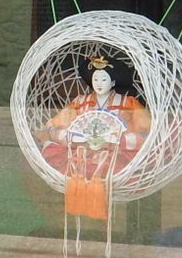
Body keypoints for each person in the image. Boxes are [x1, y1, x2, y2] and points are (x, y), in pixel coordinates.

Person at [39, 56, 151, 222]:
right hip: (80, 157)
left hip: (114, 159)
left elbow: (146, 135)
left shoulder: (128, 104)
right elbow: (55, 128)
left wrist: (114, 141)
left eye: (104, 79)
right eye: (95, 79)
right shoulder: (79, 102)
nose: (99, 83)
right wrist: (77, 139)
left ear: (113, 82)